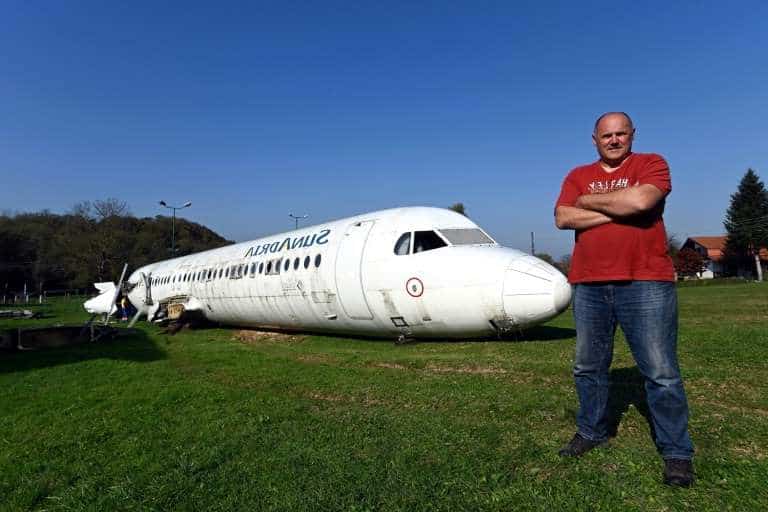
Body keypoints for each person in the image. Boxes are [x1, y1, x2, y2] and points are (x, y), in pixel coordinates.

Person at [554, 112, 694, 487]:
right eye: (606, 135)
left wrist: (591, 203)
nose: (614, 140)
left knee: (660, 372)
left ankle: (676, 452)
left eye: (620, 134)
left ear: (632, 135)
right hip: (589, 284)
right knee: (588, 366)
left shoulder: (651, 164)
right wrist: (620, 209)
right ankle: (592, 430)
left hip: (645, 281)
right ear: (594, 139)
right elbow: (564, 218)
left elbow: (642, 201)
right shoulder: (577, 175)